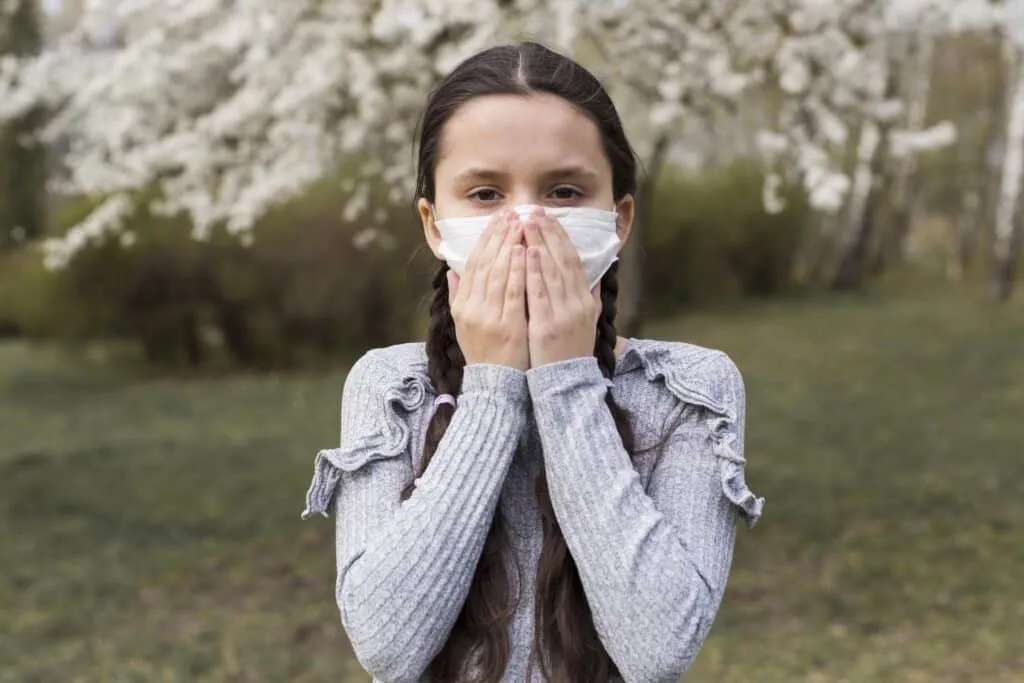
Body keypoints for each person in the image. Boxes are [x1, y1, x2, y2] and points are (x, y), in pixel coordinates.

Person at [302, 41, 764, 683]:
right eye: (486, 193)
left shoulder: (689, 391)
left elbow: (657, 651)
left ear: (620, 219)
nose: (526, 222)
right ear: (434, 225)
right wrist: (491, 391)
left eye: (564, 191)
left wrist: (566, 380)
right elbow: (388, 647)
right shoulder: (390, 388)